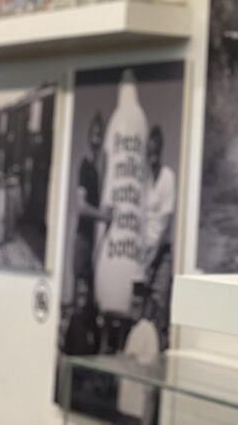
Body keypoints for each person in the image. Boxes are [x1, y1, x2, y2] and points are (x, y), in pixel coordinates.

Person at [94, 69, 149, 318]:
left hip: (117, 226)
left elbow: (106, 163)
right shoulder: (140, 119)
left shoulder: (117, 119)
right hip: (128, 226)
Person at [143, 125, 175, 337]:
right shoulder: (143, 180)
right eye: (150, 152)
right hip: (143, 254)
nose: (152, 156)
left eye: (156, 151)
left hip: (161, 254)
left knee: (159, 309)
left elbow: (166, 222)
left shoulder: (167, 177)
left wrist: (152, 258)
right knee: (142, 313)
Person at [73, 113, 110, 294]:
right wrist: (104, 216)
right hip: (83, 240)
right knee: (81, 294)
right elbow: (81, 207)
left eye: (99, 135)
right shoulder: (85, 166)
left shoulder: (97, 171)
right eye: (94, 134)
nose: (96, 140)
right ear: (88, 136)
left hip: (92, 241)